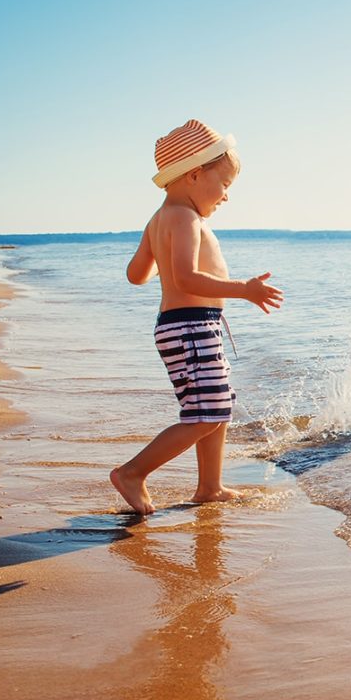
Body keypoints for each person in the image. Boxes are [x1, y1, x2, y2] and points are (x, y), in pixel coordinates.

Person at [110, 120, 284, 515]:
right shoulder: (185, 218)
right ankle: (133, 473)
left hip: (189, 325)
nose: (226, 197)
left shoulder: (160, 219)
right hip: (189, 326)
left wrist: (162, 260)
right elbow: (187, 276)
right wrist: (244, 289)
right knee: (206, 412)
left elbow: (136, 275)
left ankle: (210, 486)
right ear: (193, 175)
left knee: (216, 406)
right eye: (224, 185)